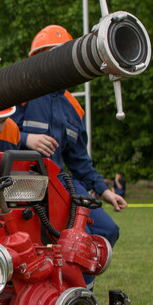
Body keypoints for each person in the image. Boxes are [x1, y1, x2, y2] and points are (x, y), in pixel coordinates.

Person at [12, 24, 127, 249]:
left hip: (62, 183)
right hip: (26, 183)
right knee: (76, 238)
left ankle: (83, 284)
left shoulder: (74, 108)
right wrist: (26, 139)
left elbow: (79, 161)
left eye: (62, 56)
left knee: (107, 230)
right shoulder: (19, 93)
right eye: (51, 56)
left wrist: (104, 191)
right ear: (36, 60)